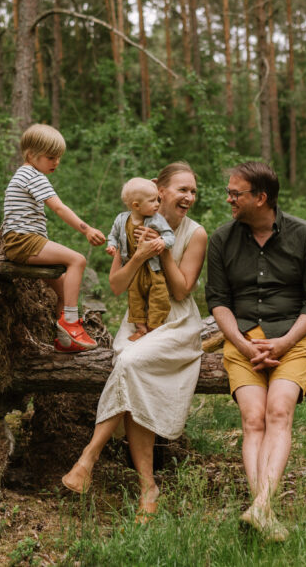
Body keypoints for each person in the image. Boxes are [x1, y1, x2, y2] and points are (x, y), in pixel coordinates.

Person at [62, 162, 207, 521]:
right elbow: (116, 285)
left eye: (193, 190)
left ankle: (88, 457)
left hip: (176, 324)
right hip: (138, 320)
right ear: (158, 190)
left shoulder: (196, 234)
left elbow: (180, 290)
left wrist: (161, 250)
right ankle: (148, 486)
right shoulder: (127, 225)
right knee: (133, 369)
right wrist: (138, 254)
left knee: (128, 363)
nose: (189, 197)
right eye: (181, 189)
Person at [205, 161, 306, 540]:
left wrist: (284, 342)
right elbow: (218, 302)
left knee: (279, 411)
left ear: (261, 198)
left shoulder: (304, 235)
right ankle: (264, 509)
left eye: (235, 193)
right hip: (242, 341)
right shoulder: (222, 239)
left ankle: (261, 505)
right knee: (253, 418)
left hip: (292, 341)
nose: (229, 199)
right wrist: (243, 344)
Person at [2, 123, 106, 352]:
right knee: (77, 260)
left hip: (20, 240)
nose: (56, 162)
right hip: (24, 240)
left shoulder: (25, 174)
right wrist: (86, 229)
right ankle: (70, 323)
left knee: (62, 290)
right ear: (31, 155)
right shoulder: (32, 175)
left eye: (58, 157)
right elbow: (59, 208)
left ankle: (64, 341)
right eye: (51, 157)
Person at [105, 177, 176, 342]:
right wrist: (112, 245)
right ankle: (141, 329)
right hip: (134, 271)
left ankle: (155, 326)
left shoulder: (156, 219)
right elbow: (113, 235)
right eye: (152, 201)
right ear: (136, 206)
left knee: (159, 297)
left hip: (153, 270)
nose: (157, 204)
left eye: (157, 200)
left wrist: (161, 241)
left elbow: (170, 236)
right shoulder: (122, 219)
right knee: (135, 299)